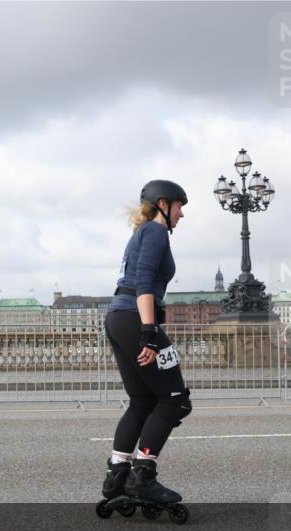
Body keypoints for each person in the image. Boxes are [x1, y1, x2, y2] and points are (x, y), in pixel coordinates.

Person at [101, 180, 192, 507]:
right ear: (164, 204)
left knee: (141, 400)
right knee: (175, 401)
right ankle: (144, 476)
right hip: (135, 319)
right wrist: (149, 332)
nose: (182, 214)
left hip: (118, 317)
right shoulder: (155, 232)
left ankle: (117, 476)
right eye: (180, 206)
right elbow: (143, 282)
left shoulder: (139, 233)